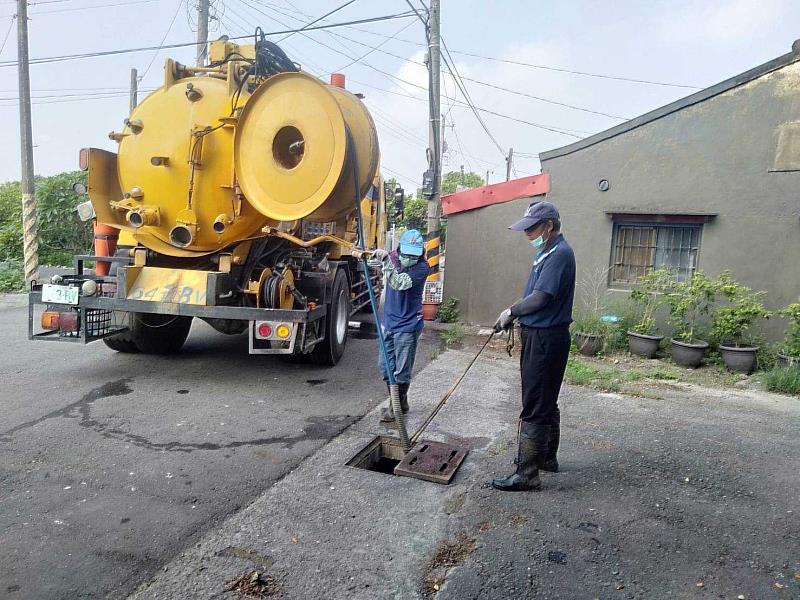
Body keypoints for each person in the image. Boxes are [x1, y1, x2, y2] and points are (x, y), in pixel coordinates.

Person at [492, 201, 575, 492]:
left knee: (536, 404)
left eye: (532, 228)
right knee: (546, 400)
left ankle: (527, 473)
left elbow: (540, 298)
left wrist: (511, 311)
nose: (528, 234)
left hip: (546, 339)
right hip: (543, 336)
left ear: (549, 226)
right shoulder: (548, 252)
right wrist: (515, 313)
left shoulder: (559, 255)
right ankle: (546, 459)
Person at [371, 229, 430, 423]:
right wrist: (373, 256)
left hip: (408, 325)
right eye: (406, 254)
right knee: (384, 366)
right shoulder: (395, 257)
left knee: (401, 370)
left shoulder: (422, 268)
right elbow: (377, 263)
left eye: (413, 255)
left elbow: (398, 283)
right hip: (388, 322)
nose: (408, 259)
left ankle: (395, 406)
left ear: (420, 253)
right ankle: (401, 402)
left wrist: (386, 261)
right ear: (399, 250)